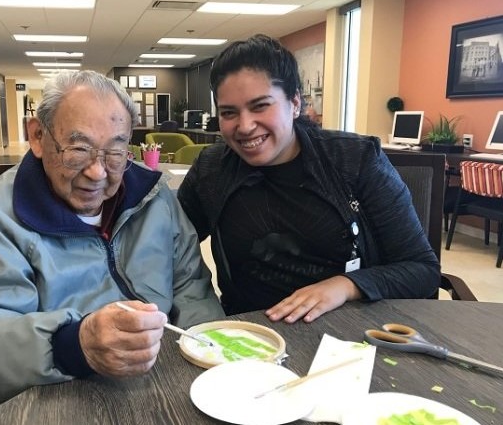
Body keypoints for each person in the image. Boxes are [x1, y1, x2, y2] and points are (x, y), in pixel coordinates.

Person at [0, 70, 224, 402]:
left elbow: (192, 291)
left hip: (160, 386)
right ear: (38, 136)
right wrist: (74, 344)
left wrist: (211, 353)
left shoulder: (155, 198)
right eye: (78, 150)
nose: (97, 172)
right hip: (52, 398)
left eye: (116, 152)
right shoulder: (0, 215)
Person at [177, 34, 440, 324]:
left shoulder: (356, 160)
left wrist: (344, 286)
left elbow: (422, 270)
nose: (245, 126)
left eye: (260, 105)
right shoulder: (212, 169)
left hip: (348, 334)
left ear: (295, 103)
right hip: (248, 335)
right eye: (229, 112)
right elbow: (170, 246)